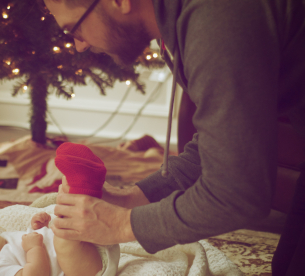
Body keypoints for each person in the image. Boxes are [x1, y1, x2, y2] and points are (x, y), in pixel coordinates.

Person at [42, 0, 305, 275]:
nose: (78, 45)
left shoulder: (215, 19)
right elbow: (220, 144)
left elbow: (237, 193)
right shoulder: (175, 27)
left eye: (75, 29)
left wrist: (121, 224)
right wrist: (133, 198)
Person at [0, 142, 120, 276]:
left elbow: (28, 243)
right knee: (64, 229)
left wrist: (37, 227)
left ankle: (83, 185)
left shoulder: (4, 242)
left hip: (89, 243)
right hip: (83, 269)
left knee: (65, 210)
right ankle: (84, 187)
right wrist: (34, 247)